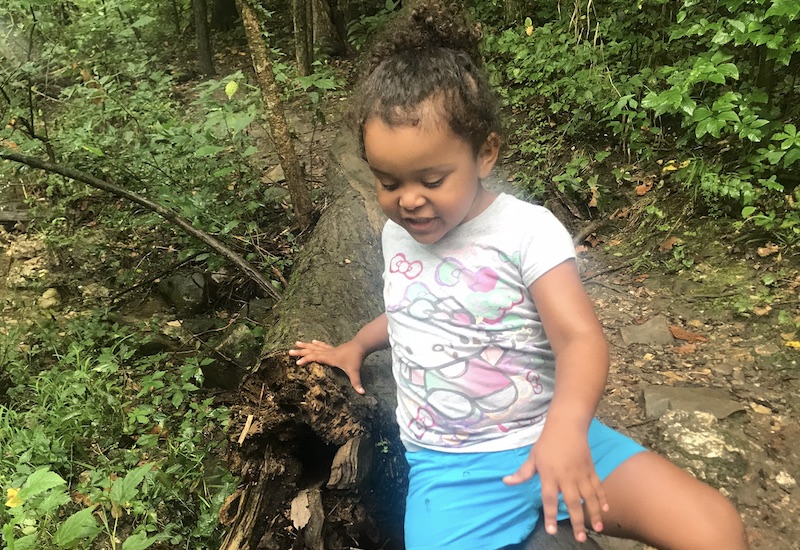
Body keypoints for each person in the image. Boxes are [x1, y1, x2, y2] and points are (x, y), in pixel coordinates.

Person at [289, 2, 750, 549]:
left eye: (432, 180)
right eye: (388, 182)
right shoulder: (398, 235)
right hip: (454, 475)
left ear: (485, 154)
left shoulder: (526, 231)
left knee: (714, 525)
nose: (408, 201)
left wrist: (566, 432)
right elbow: (414, 312)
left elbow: (580, 338)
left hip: (557, 438)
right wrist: (356, 345)